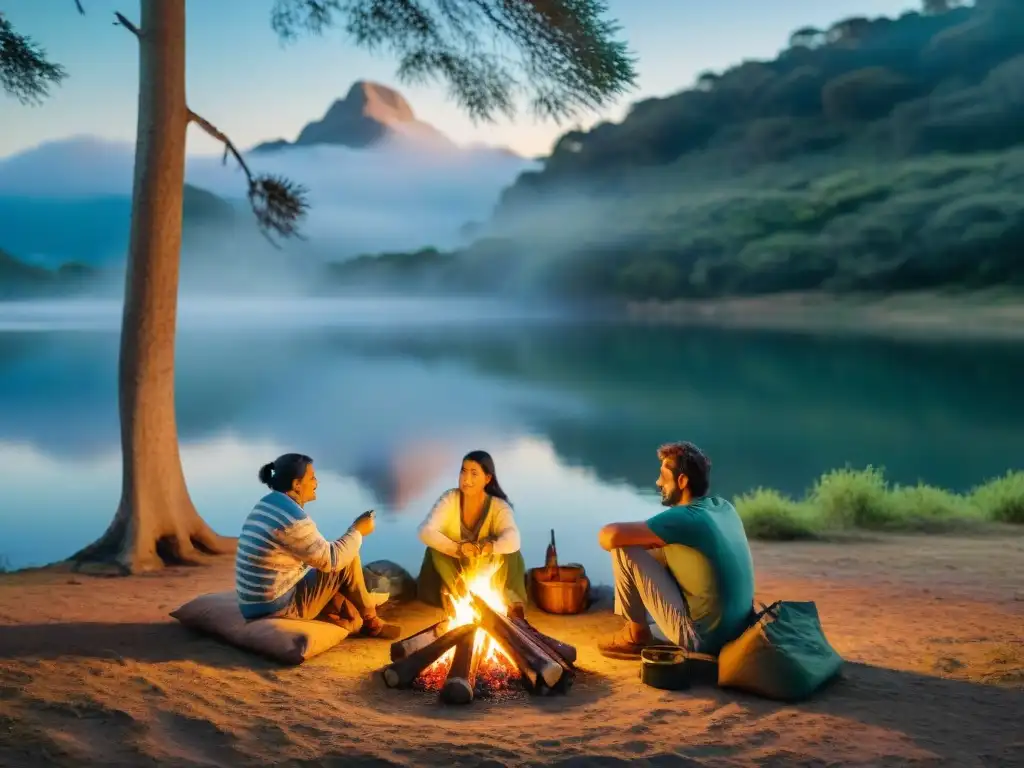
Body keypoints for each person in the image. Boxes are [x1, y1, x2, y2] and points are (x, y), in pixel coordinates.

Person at [596, 441, 755, 659]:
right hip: (737, 631)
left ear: (682, 481)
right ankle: (645, 625)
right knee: (658, 548)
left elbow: (610, 536)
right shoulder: (723, 507)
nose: (658, 482)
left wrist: (643, 540)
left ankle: (636, 636)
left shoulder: (684, 518)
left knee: (625, 547)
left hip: (703, 639)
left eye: (663, 475)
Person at [236, 452, 401, 639]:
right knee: (347, 557)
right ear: (296, 484)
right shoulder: (293, 519)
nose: (316, 483)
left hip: (254, 604)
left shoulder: (268, 504)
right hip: (275, 606)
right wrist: (358, 530)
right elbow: (332, 560)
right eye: (312, 478)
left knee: (342, 582)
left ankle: (357, 613)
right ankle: (372, 619)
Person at [416, 450, 528, 616]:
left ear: (487, 478)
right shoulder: (450, 499)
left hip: (484, 569)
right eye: (463, 471)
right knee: (435, 549)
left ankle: (510, 603)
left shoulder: (498, 507)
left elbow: (513, 539)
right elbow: (425, 531)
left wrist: (488, 547)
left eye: (474, 473)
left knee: (512, 552)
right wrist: (458, 549)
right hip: (454, 572)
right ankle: (456, 595)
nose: (466, 480)